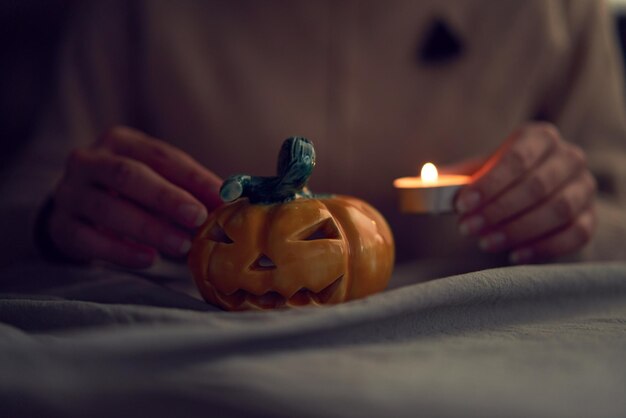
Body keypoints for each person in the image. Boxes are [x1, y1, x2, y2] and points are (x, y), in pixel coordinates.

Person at [3, 0, 626, 276]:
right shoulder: (134, 9)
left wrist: (571, 220)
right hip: (198, 354)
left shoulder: (554, 8)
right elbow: (27, 197)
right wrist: (56, 220)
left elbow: (615, 211)